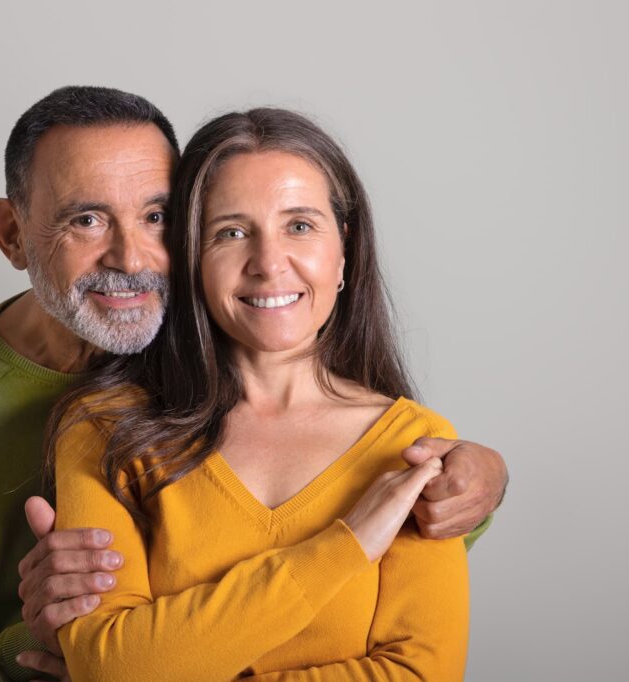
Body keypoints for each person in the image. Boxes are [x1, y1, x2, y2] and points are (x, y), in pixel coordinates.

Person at [0, 87, 507, 681]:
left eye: (156, 216)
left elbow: (411, 594)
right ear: (13, 234)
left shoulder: (386, 422)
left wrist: (478, 479)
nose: (131, 258)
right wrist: (38, 648)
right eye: (85, 220)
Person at [49, 108, 472, 680]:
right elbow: (111, 670)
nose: (269, 264)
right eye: (231, 232)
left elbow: (425, 674)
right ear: (192, 257)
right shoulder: (103, 429)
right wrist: (347, 545)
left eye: (299, 226)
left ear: (343, 250)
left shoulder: (416, 444)